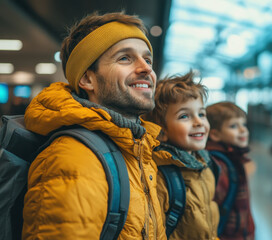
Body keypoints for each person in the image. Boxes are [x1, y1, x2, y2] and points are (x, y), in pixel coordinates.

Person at [22, 12, 166, 239]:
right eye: (125, 58)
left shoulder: (136, 147)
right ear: (87, 79)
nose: (146, 68)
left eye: (147, 60)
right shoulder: (73, 158)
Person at [143, 71, 219, 239]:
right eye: (184, 116)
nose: (198, 122)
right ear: (161, 132)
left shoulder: (206, 164)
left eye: (201, 114)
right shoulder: (160, 176)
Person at [206, 101, 255, 240]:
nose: (242, 130)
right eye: (233, 126)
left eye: (243, 124)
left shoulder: (234, 159)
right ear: (215, 135)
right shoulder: (220, 165)